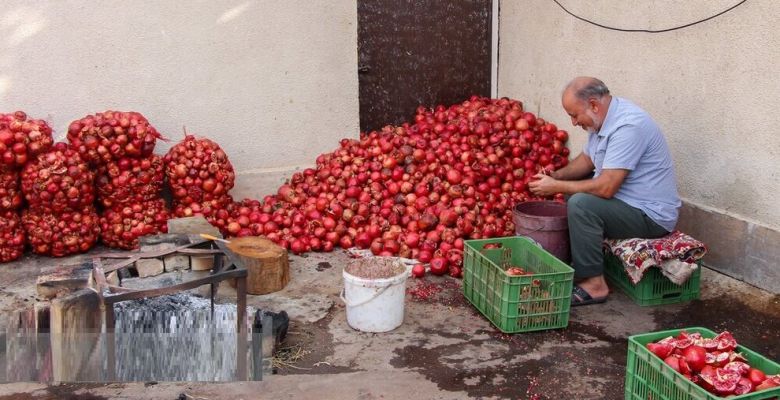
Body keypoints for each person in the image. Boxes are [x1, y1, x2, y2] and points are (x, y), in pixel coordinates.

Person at [528, 77, 681, 306]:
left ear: (593, 105)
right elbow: (587, 160)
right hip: (627, 203)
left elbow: (607, 187)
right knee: (575, 193)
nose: (573, 122)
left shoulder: (628, 126)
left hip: (650, 216)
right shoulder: (602, 120)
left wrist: (557, 186)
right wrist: (557, 176)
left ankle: (594, 284)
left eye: (573, 115)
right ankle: (582, 263)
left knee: (581, 204)